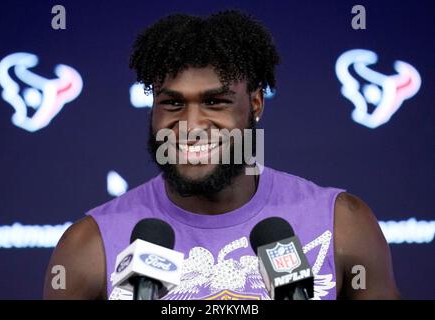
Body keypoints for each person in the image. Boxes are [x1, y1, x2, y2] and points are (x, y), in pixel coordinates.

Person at [43, 10, 400, 300]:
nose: (192, 124)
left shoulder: (342, 224)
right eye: (172, 103)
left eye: (215, 101)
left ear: (255, 104)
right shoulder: (90, 245)